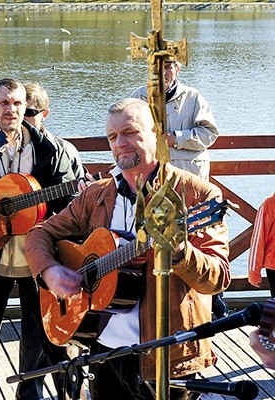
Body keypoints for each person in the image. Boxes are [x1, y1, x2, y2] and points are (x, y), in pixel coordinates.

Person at [25, 98, 231, 400]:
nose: (120, 143)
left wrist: (179, 251)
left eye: (129, 132)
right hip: (103, 352)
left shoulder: (196, 194)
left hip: (167, 356)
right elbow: (39, 233)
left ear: (156, 134)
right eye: (112, 136)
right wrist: (50, 270)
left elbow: (218, 278)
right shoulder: (98, 194)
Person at [0, 78, 77, 400]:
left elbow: (67, 204)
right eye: (4, 103)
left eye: (18, 103)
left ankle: (61, 394)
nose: (11, 109)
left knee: (52, 336)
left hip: (38, 255)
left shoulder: (51, 150)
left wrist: (43, 223)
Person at [131, 58, 228, 319]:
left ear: (178, 68)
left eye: (168, 66)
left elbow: (210, 133)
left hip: (189, 189)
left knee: (199, 247)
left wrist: (176, 139)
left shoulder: (193, 97)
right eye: (156, 67)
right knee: (152, 246)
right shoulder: (137, 98)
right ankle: (156, 312)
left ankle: (215, 311)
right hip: (152, 190)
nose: (162, 72)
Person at [248, 194, 275, 297]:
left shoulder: (270, 203)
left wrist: (253, 272)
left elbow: (258, 239)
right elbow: (259, 239)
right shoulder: (270, 204)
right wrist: (254, 272)